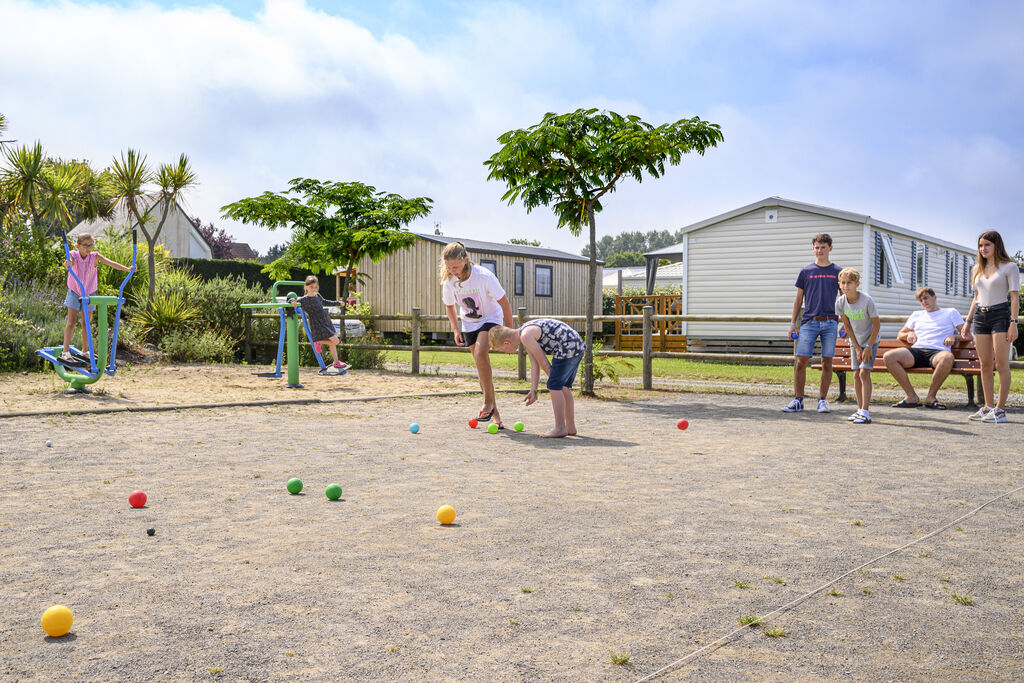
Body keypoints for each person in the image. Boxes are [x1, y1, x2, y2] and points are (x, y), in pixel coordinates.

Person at [440, 242, 513, 428]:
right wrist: (456, 329)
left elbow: (505, 304)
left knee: (481, 354)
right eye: (448, 267)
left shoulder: (484, 276)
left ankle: (487, 403)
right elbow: (450, 306)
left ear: (465, 260)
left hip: (491, 318)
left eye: (455, 266)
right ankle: (495, 415)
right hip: (469, 323)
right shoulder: (449, 281)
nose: (452, 270)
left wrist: (511, 334)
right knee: (482, 371)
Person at [961, 230, 1020, 423]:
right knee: (985, 364)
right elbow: (975, 298)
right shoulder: (977, 268)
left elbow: (1014, 297)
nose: (983, 248)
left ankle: (1000, 410)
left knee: (1001, 364)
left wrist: (1013, 323)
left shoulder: (1009, 267)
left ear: (996, 245)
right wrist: (968, 322)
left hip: (1000, 315)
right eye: (980, 245)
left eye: (987, 245)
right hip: (980, 316)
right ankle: (988, 407)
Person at [489, 319, 585, 438]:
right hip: (576, 345)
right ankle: (570, 427)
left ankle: (560, 428)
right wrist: (533, 390)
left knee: (554, 386)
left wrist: (554, 381)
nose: (506, 353)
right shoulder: (525, 334)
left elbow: (543, 362)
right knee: (563, 387)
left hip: (567, 346)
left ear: (507, 342)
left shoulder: (525, 336)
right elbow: (535, 364)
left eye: (502, 350)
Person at [783, 233, 842, 413]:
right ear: (813, 249)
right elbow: (798, 299)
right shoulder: (806, 271)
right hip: (809, 322)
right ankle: (798, 400)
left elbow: (845, 299)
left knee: (827, 362)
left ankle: (822, 401)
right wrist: (793, 323)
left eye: (823, 247)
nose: (820, 250)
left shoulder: (837, 271)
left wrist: (847, 324)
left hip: (831, 322)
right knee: (801, 361)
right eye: (817, 247)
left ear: (830, 248)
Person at [883, 287, 966, 409]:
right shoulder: (917, 314)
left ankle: (931, 397)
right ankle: (911, 396)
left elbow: (967, 336)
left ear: (935, 297)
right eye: (921, 300)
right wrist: (909, 334)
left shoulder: (950, 312)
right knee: (889, 356)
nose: (924, 302)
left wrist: (954, 336)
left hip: (938, 352)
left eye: (926, 298)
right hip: (917, 350)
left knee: (947, 357)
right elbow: (900, 334)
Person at [61, 232, 133, 364]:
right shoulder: (74, 255)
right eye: (85, 245)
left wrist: (127, 269)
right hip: (75, 292)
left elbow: (110, 263)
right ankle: (65, 351)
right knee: (71, 322)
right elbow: (69, 262)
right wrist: (67, 264)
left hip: (89, 293)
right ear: (77, 245)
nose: (89, 248)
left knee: (86, 323)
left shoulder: (95, 256)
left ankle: (85, 350)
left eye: (91, 245)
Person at [835, 267, 880, 424]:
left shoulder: (866, 301)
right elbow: (847, 326)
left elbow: (876, 325)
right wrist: (856, 347)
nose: (846, 286)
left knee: (864, 373)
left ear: (857, 284)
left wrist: (868, 346)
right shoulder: (840, 303)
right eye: (843, 283)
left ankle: (865, 412)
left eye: (849, 283)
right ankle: (859, 409)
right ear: (839, 284)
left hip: (870, 341)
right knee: (855, 374)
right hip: (856, 342)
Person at [289, 275, 349, 372]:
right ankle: (318, 342)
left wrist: (338, 303)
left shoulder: (318, 295)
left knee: (333, 343)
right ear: (306, 287)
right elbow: (292, 301)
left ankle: (336, 361)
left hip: (325, 320)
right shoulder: (304, 300)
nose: (313, 289)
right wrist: (292, 301)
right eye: (311, 287)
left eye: (315, 287)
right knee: (336, 341)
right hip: (317, 323)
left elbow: (325, 302)